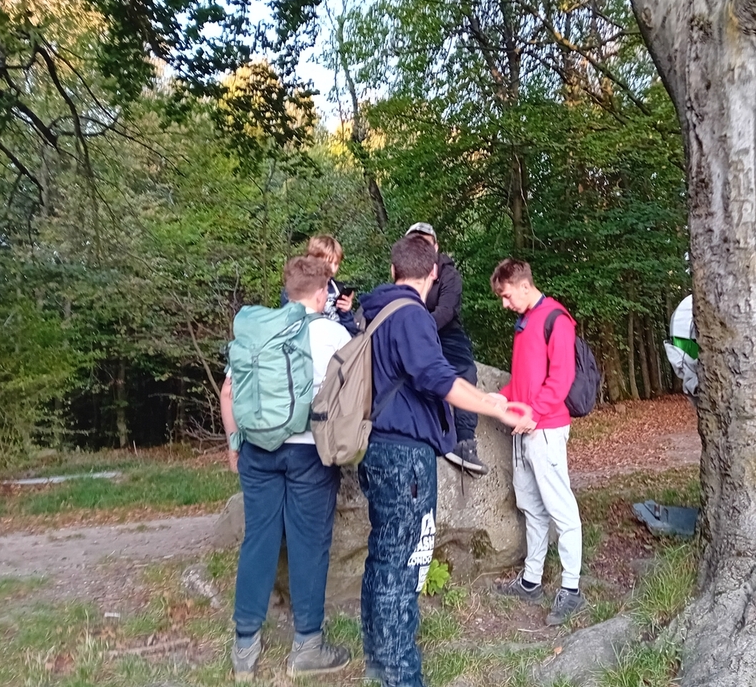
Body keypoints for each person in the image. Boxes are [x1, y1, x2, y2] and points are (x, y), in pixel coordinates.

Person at [357, 235, 532, 687]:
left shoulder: (373, 313)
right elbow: (437, 377)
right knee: (405, 564)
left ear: (393, 270)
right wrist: (493, 407)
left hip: (376, 447)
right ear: (433, 274)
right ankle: (401, 675)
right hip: (406, 456)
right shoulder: (412, 315)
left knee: (383, 556)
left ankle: (378, 656)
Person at [224, 255, 354, 681]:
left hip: (258, 450)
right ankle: (307, 648)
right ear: (321, 293)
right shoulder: (333, 333)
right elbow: (352, 394)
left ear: (288, 289)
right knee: (308, 545)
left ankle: (245, 646)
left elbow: (228, 393)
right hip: (309, 453)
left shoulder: (260, 331)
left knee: (258, 540)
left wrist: (234, 445)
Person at [489, 258, 586, 626]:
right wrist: (502, 398)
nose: (505, 303)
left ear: (524, 285)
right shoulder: (525, 321)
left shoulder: (555, 319)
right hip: (524, 429)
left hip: (545, 429)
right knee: (531, 505)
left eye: (506, 295)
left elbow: (561, 378)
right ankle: (531, 581)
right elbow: (523, 380)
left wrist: (534, 412)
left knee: (561, 508)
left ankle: (571, 589)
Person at [404, 222, 487, 475]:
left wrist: (421, 327)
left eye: (426, 242)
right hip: (412, 328)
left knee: (465, 371)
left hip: (445, 331)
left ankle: (465, 442)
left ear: (436, 246)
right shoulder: (404, 271)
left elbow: (446, 311)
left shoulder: (449, 274)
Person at [280, 234, 361, 336]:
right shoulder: (295, 289)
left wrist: (345, 312)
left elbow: (351, 332)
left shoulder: (337, 289)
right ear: (313, 259)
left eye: (336, 264)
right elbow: (289, 327)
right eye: (328, 263)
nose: (333, 269)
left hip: (337, 341)